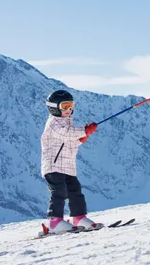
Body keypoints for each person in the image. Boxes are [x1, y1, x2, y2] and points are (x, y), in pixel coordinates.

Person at [41, 89, 102, 233]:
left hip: (68, 167)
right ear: (54, 107)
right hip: (54, 166)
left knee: (75, 191)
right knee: (59, 192)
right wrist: (84, 130)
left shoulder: (67, 123)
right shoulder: (54, 124)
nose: (69, 109)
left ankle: (79, 217)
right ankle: (55, 222)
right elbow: (66, 133)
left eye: (71, 106)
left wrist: (80, 139)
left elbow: (69, 141)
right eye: (64, 106)